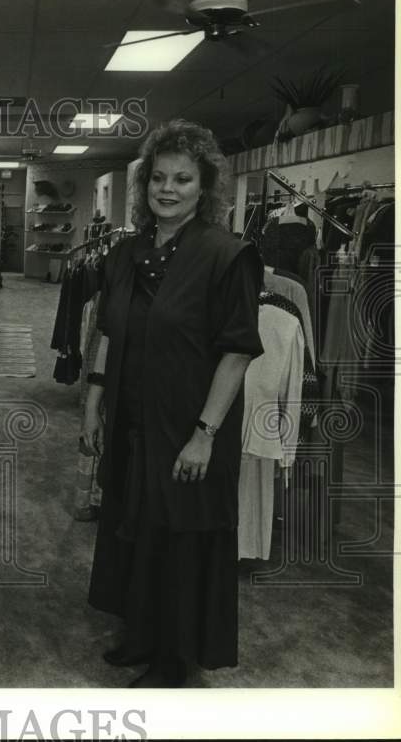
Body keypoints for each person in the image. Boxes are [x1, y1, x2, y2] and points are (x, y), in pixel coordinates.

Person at [82, 119, 264, 688]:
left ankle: (173, 655)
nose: (167, 188)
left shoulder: (227, 255)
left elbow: (236, 354)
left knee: (179, 539)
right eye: (158, 177)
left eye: (182, 179)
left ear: (204, 185)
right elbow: (109, 333)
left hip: (188, 424)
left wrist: (205, 433)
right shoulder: (126, 253)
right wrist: (92, 403)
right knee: (131, 526)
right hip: (132, 419)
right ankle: (140, 631)